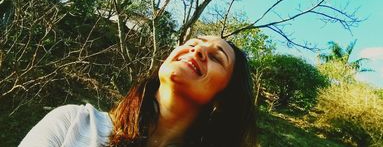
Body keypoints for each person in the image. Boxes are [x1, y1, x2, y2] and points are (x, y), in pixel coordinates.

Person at [19, 36, 256, 147]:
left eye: (216, 56)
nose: (197, 51)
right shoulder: (74, 122)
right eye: (192, 43)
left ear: (224, 99)